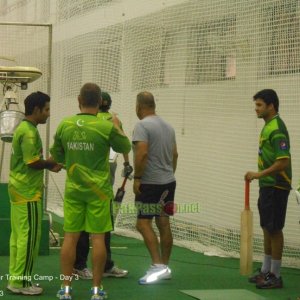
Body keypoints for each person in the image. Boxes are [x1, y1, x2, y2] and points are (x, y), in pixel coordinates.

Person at [50, 83, 131, 300]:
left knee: (70, 238)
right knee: (98, 239)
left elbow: (57, 155)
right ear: (99, 103)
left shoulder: (65, 124)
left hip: (74, 190)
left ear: (78, 100)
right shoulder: (105, 127)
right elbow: (125, 146)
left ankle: (65, 290)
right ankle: (96, 291)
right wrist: (116, 125)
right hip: (99, 192)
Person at [7, 92, 62, 295]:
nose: (48, 114)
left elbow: (31, 160)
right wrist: (52, 164)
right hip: (27, 192)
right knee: (28, 238)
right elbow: (33, 162)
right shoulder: (29, 132)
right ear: (37, 110)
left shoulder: (23, 128)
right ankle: (22, 283)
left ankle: (15, 278)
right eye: (46, 109)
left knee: (18, 236)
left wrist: (48, 163)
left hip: (18, 189)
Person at [73, 91, 133, 279]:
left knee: (81, 226)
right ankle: (99, 267)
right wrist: (127, 163)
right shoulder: (112, 119)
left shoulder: (86, 120)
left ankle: (80, 266)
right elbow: (123, 144)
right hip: (102, 183)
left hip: (83, 182)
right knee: (102, 227)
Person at [244, 89, 292, 289]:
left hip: (276, 185)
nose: (256, 109)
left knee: (274, 229)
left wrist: (258, 174)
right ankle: (266, 270)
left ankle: (276, 275)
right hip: (267, 186)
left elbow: (283, 161)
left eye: (259, 105)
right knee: (266, 228)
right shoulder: (268, 126)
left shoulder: (277, 128)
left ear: (271, 106)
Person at [132, 91, 178, 285]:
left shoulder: (142, 125)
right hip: (168, 181)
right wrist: (168, 173)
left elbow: (141, 154)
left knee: (143, 223)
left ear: (139, 106)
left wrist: (137, 178)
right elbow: (175, 154)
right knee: (163, 223)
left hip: (150, 184)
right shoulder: (168, 126)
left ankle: (157, 266)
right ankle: (164, 267)